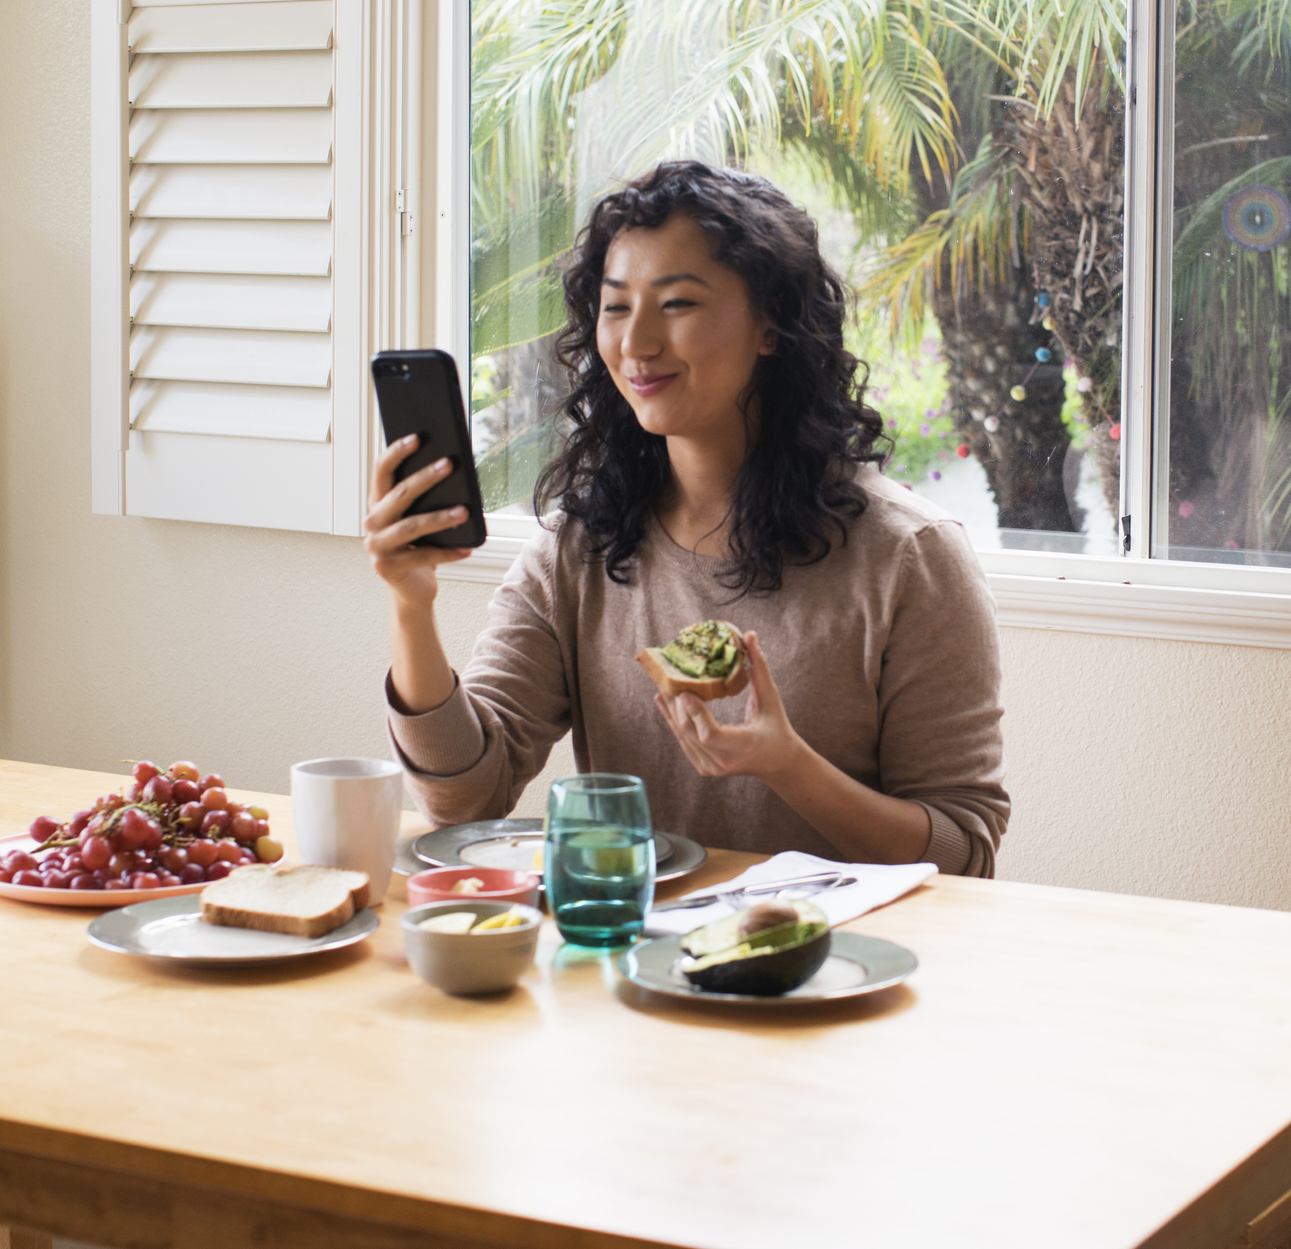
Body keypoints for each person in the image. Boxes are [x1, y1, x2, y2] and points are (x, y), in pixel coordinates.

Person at [367, 161, 1008, 875]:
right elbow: (465, 801)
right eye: (615, 306)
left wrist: (788, 766)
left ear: (772, 324)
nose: (636, 343)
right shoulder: (580, 547)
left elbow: (963, 853)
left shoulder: (910, 556)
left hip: (834, 967)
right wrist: (410, 606)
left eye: (676, 304)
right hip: (632, 959)